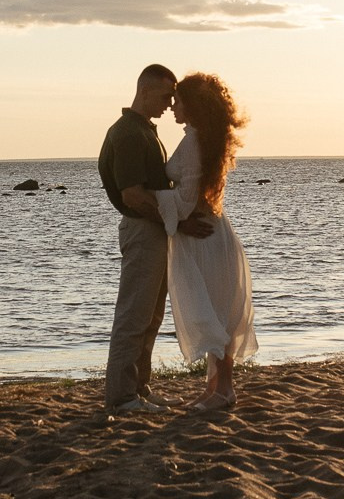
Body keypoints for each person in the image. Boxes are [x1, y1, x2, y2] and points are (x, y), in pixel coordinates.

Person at [97, 64, 210, 414]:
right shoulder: (130, 134)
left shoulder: (144, 131)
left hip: (156, 229)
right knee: (134, 315)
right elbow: (133, 195)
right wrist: (180, 222)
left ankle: (139, 389)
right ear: (145, 91)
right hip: (143, 229)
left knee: (150, 317)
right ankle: (121, 396)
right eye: (166, 96)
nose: (170, 103)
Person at [156, 72, 256, 410]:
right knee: (217, 309)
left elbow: (185, 201)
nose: (172, 107)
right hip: (214, 232)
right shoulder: (206, 139)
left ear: (193, 105)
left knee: (212, 311)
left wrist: (149, 196)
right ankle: (214, 387)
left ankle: (223, 391)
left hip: (202, 235)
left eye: (179, 100)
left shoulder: (194, 142)